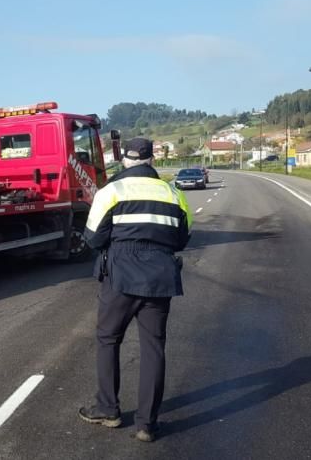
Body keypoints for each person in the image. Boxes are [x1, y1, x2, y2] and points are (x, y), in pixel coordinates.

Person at [77, 137, 192, 443]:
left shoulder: (111, 191)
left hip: (121, 275)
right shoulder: (173, 192)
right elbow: (182, 238)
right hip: (161, 276)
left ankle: (108, 409)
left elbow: (92, 238)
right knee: (154, 347)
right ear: (151, 160)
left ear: (124, 161)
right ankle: (147, 424)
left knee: (108, 338)